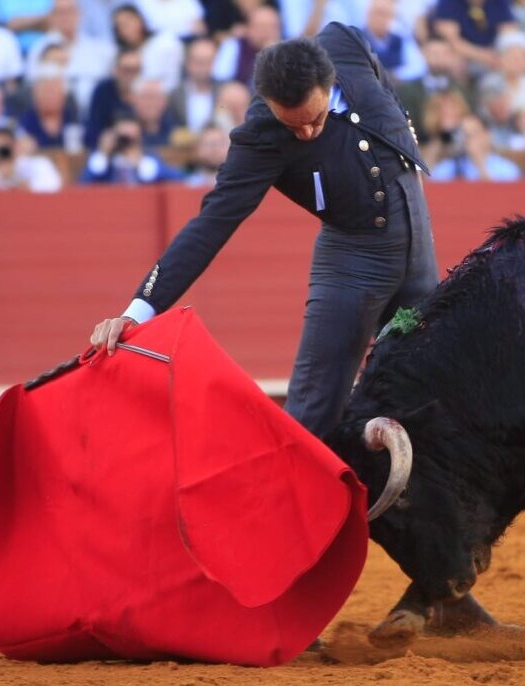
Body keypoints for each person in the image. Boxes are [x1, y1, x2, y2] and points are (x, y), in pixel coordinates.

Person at [88, 25, 439, 440]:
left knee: (431, 381)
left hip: (417, 235)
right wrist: (138, 309)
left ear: (328, 83)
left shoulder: (343, 42)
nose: (306, 133)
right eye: (293, 127)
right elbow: (212, 223)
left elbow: (382, 83)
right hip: (353, 259)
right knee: (314, 407)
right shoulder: (260, 137)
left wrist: (404, 137)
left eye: (314, 119)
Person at [24, 0, 116, 115]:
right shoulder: (40, 48)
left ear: (80, 14)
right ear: (52, 17)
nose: (66, 17)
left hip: (96, 113)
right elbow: (33, 88)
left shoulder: (100, 49)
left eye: (70, 11)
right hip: (59, 115)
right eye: (60, 12)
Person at [433, 0, 518, 70]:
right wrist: (484, 56)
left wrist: (503, 55)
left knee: (515, 50)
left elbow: (509, 32)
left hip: (493, 49)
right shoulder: (448, 3)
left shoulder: (500, 2)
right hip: (464, 53)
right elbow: (453, 41)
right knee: (453, 61)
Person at [432, 114, 523, 180]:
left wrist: (480, 165)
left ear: (487, 135)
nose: (468, 139)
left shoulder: (506, 168)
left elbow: (500, 197)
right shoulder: (449, 167)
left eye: (474, 133)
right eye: (465, 135)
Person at [0, 125, 64, 191]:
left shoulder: (39, 164)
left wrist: (15, 177)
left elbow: (53, 189)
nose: (2, 153)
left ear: (15, 146)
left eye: (5, 148)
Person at [213, 4, 282, 86]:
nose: (267, 32)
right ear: (249, 28)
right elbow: (220, 81)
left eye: (273, 27)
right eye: (262, 27)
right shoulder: (233, 45)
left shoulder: (288, 51)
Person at [361, 0, 427, 84]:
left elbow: (419, 67)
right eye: (378, 13)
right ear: (368, 14)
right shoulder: (356, 38)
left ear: (391, 18)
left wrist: (395, 75)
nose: (381, 18)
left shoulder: (400, 39)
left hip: (394, 89)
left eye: (386, 14)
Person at [17, 64, 78, 149]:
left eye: (53, 91)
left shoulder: (73, 119)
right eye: (45, 91)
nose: (49, 96)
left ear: (63, 95)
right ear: (35, 94)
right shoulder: (24, 124)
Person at [167, 38, 220, 134]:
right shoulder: (175, 95)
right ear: (187, 62)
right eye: (199, 61)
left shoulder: (223, 92)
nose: (203, 67)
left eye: (208, 62)